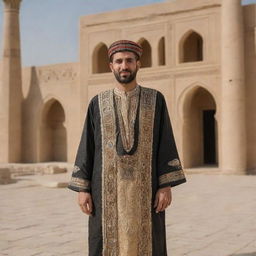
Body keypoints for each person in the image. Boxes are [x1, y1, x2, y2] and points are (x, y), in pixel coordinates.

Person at [68, 40, 186, 256]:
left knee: (149, 240)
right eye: (119, 61)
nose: (124, 66)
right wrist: (83, 189)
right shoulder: (97, 103)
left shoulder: (156, 100)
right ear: (111, 66)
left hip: (147, 188)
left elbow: (165, 142)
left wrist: (165, 185)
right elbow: (88, 145)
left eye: (129, 60)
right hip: (104, 191)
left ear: (138, 64)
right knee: (103, 241)